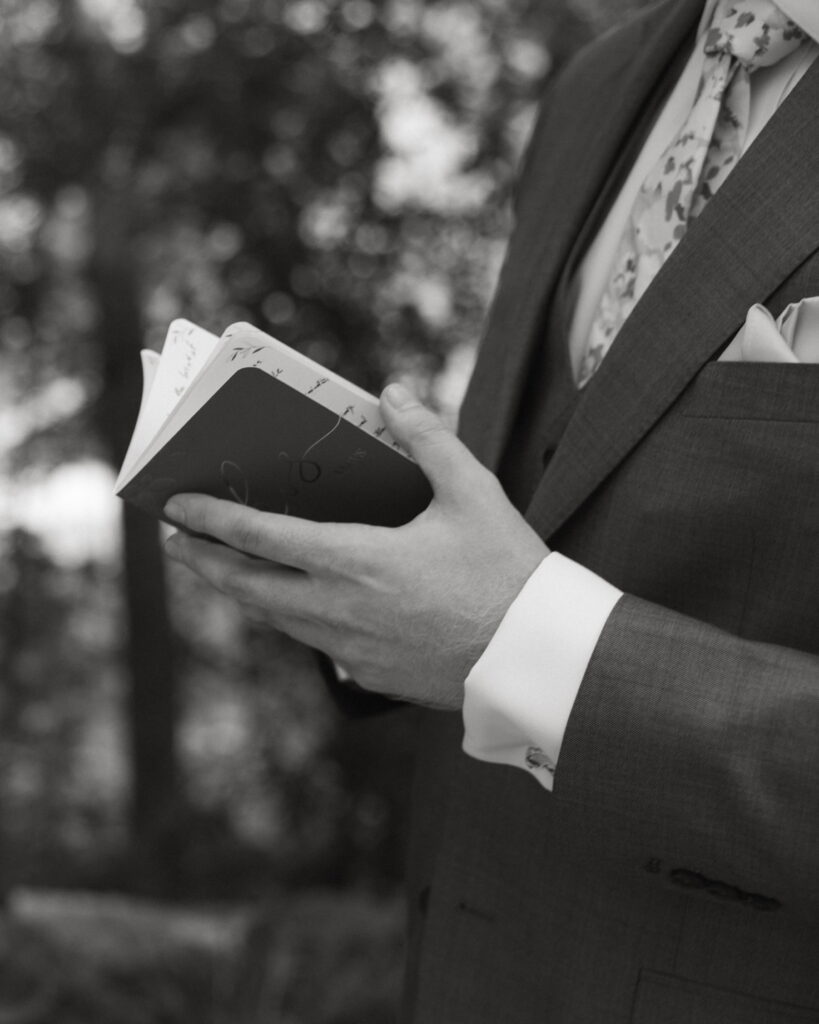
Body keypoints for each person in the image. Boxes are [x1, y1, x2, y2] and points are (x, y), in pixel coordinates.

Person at [164, 0, 819, 1018]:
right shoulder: (600, 89)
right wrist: (381, 590)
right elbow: (553, 501)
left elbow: (518, 619)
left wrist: (516, 642)